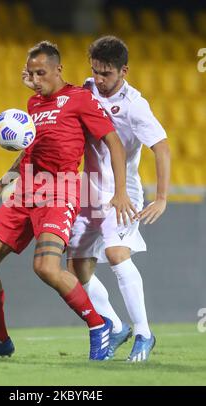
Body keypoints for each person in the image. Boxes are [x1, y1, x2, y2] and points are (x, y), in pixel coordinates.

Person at [0, 41, 136, 360]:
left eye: (42, 72)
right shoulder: (33, 104)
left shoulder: (80, 99)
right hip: (25, 191)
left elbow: (114, 142)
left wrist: (120, 191)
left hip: (60, 192)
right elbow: (30, 151)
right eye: (31, 73)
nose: (35, 78)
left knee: (45, 266)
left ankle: (99, 327)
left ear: (59, 70)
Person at [67, 36, 171, 362]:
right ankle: (114, 325)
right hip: (89, 191)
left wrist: (162, 197)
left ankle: (143, 333)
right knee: (77, 267)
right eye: (95, 71)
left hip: (123, 194)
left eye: (106, 73)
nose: (99, 79)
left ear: (124, 71)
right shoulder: (87, 88)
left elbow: (162, 148)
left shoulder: (135, 105)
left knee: (115, 253)